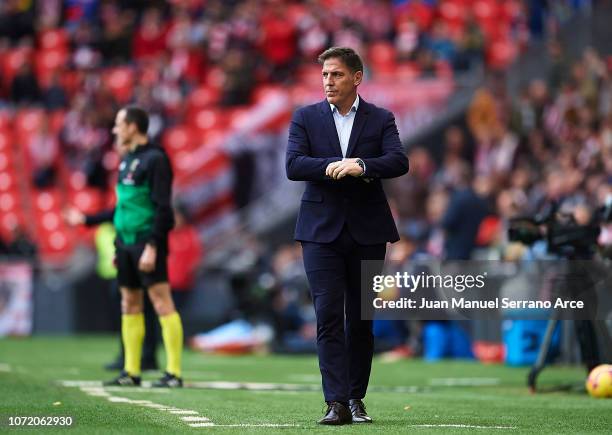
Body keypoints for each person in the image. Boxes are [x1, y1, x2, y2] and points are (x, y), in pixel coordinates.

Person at [286, 47, 409, 425]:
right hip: (320, 232)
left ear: (357, 77)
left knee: (361, 318)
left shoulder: (381, 118)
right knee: (327, 315)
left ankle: (356, 397)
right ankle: (335, 402)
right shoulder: (305, 118)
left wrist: (362, 165)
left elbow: (399, 161)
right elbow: (293, 165)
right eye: (325, 75)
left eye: (336, 74)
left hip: (368, 230)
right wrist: (333, 167)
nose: (328, 81)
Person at [65, 106, 182, 387]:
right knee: (129, 303)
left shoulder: (156, 159)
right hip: (125, 244)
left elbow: (163, 209)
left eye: (119, 124)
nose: (115, 129)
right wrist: (86, 219)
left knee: (161, 302)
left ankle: (174, 373)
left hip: (146, 242)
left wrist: (154, 246)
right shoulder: (127, 159)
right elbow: (122, 209)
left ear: (132, 126)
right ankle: (131, 372)